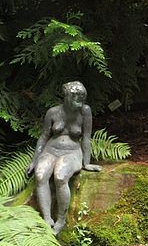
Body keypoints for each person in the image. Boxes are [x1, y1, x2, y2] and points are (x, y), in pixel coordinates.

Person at [27, 81, 101, 234]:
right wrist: (35, 160)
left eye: (81, 95)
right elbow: (44, 136)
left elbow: (86, 138)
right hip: (51, 150)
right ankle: (47, 217)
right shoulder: (53, 112)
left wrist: (86, 163)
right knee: (40, 175)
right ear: (66, 96)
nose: (78, 99)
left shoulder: (85, 112)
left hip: (72, 152)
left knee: (60, 176)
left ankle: (61, 219)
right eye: (74, 95)